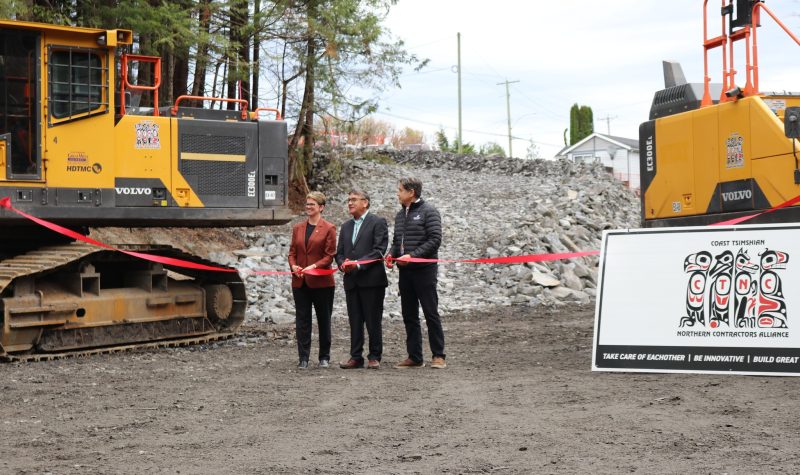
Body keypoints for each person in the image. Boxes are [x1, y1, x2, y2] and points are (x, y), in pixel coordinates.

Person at [386, 177, 446, 369]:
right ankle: (415, 356)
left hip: (425, 271)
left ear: (411, 192)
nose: (397, 193)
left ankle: (438, 355)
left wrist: (413, 255)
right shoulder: (400, 215)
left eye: (400, 190)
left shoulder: (430, 212)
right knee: (409, 315)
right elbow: (397, 241)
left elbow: (435, 239)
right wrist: (391, 255)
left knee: (430, 312)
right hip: (405, 273)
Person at [336, 189, 389, 369]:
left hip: (372, 281)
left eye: (353, 200)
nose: (349, 203)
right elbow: (340, 252)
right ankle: (355, 356)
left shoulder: (378, 222)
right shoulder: (346, 226)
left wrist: (358, 264)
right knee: (355, 320)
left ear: (365, 202)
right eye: (348, 200)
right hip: (351, 281)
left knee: (373, 320)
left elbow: (379, 250)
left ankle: (374, 356)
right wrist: (343, 264)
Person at [288, 191, 337, 369]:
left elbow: (329, 255)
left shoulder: (329, 228)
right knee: (302, 320)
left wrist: (314, 267)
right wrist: (293, 266)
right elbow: (292, 253)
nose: (308, 207)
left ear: (321, 208)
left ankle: (324, 356)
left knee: (324, 319)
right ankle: (303, 357)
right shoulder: (297, 228)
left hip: (322, 283)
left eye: (312, 205)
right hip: (300, 281)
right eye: (307, 204)